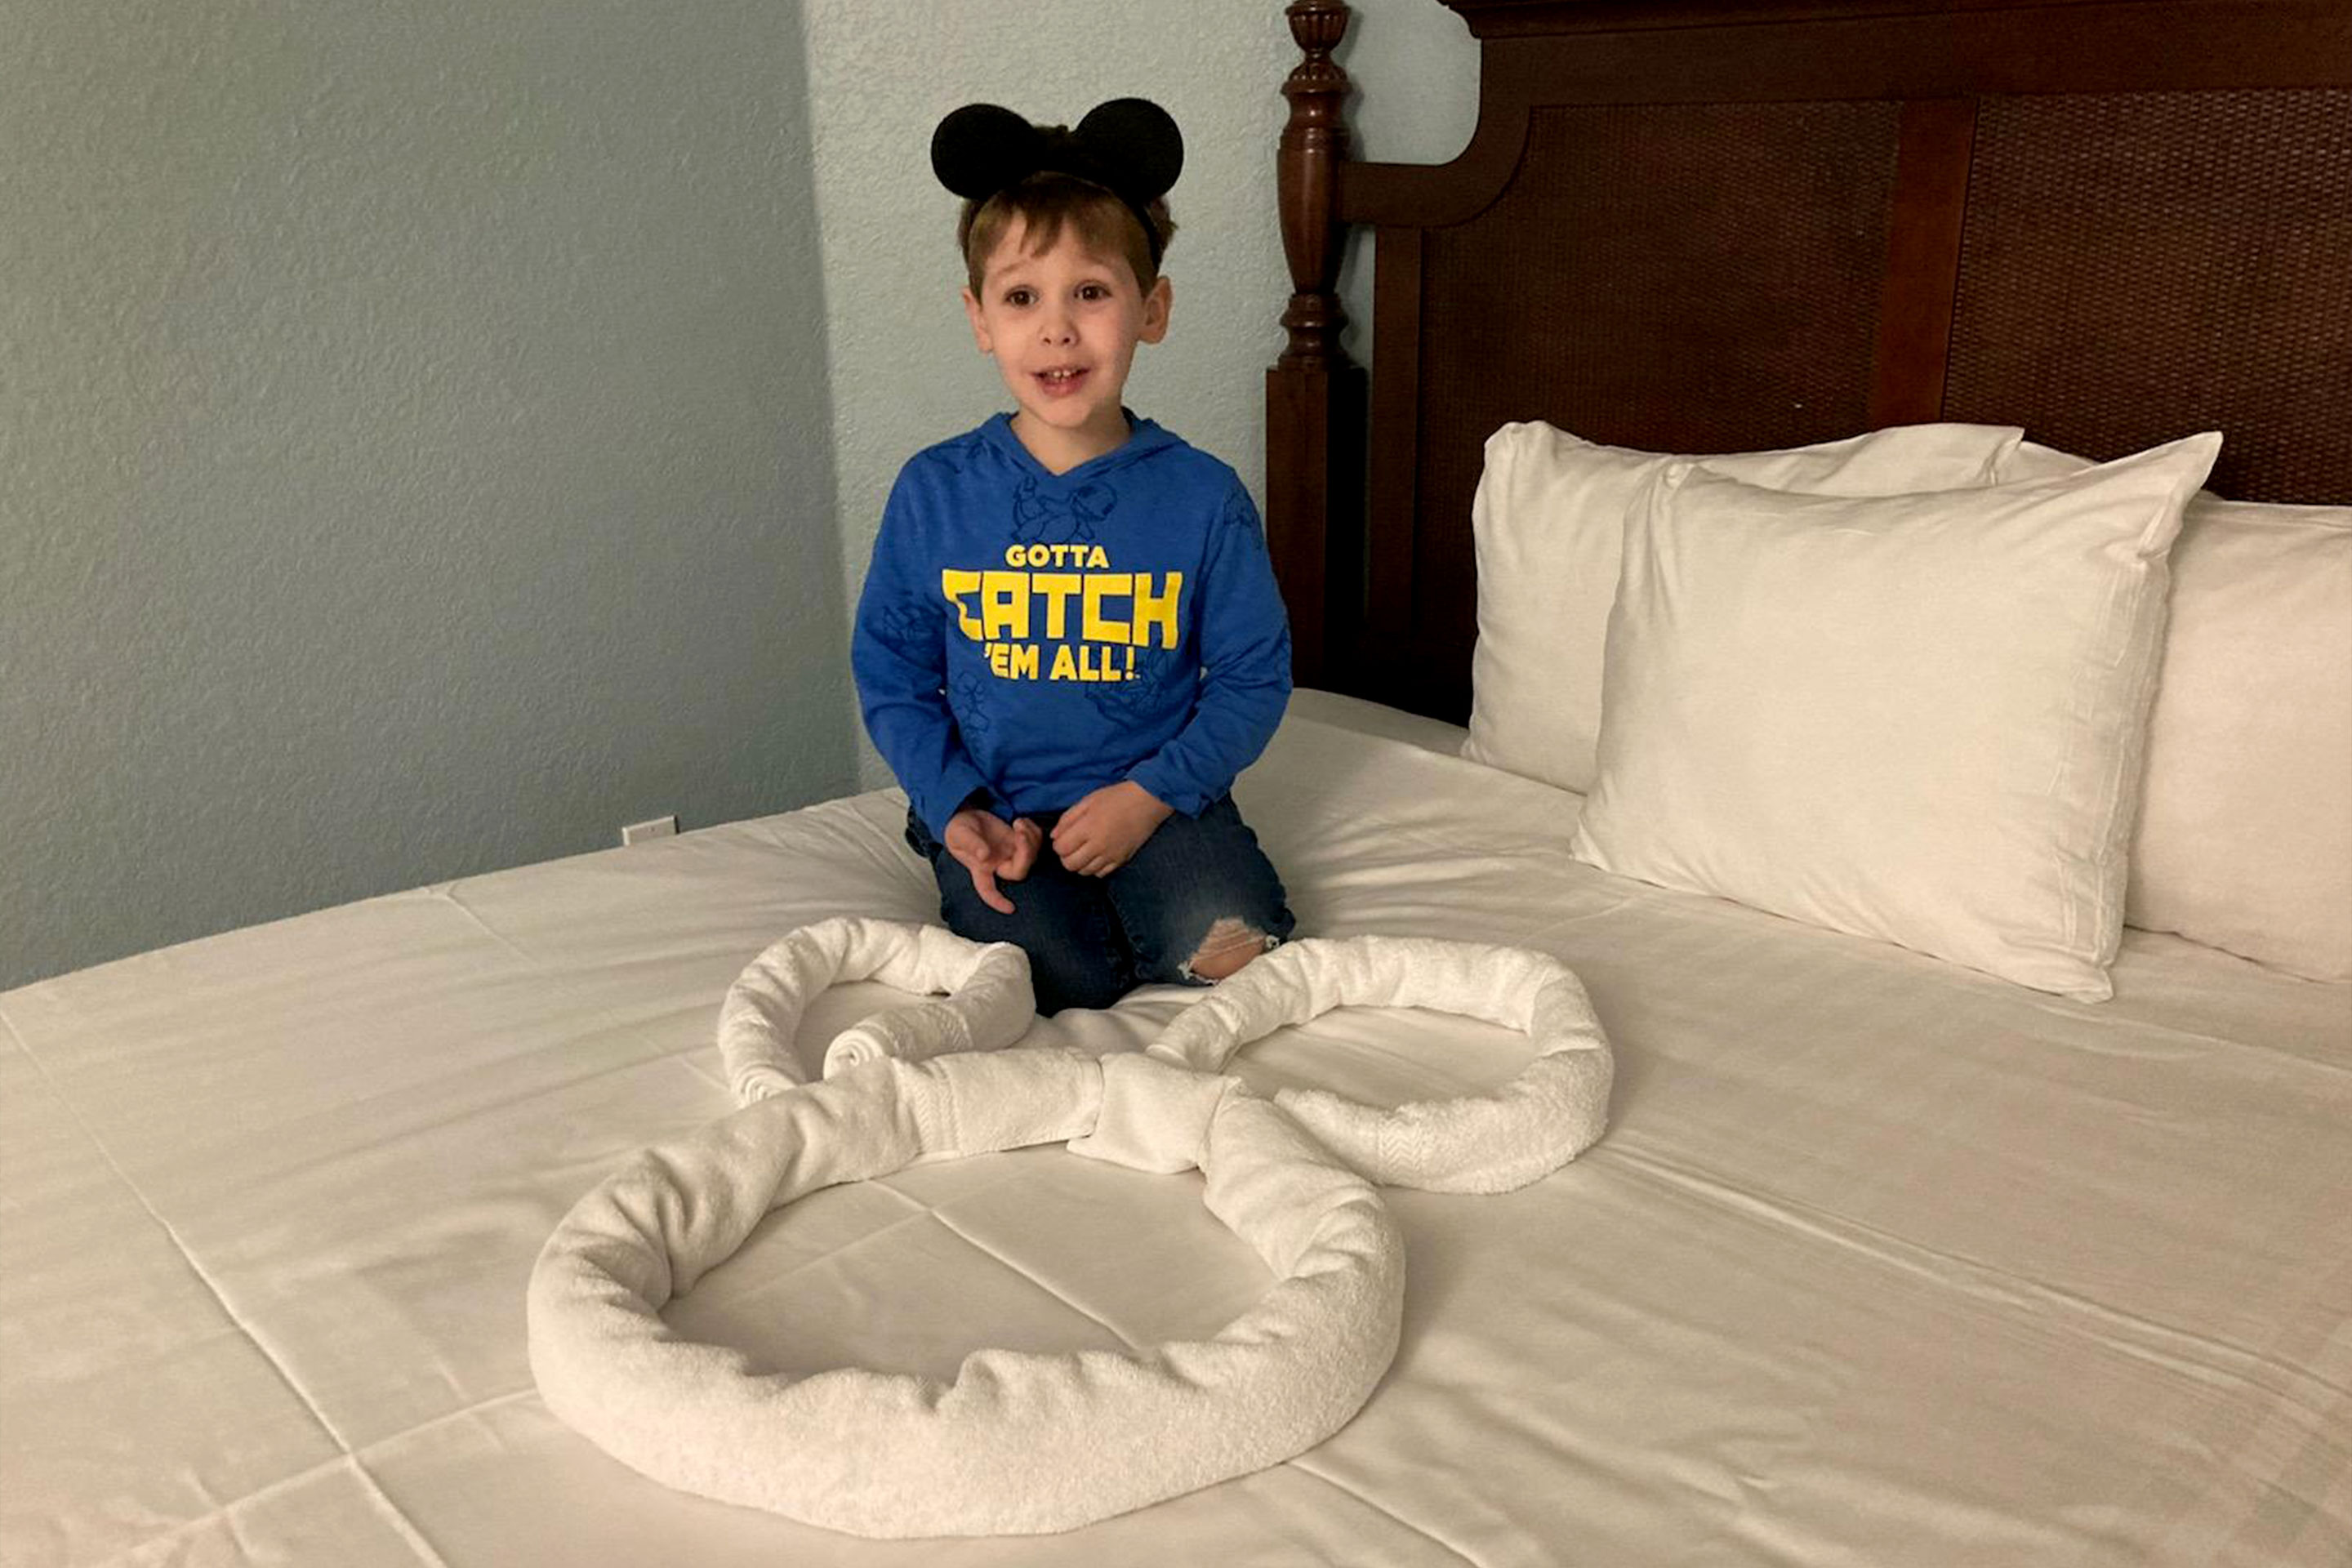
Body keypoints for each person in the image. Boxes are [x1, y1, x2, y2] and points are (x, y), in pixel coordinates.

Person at [851, 98, 1295, 1014]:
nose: (1057, 328)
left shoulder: (1201, 496)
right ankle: (984, 863)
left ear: (1152, 308)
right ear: (980, 318)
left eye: (1090, 293)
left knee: (1233, 949)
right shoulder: (934, 491)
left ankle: (1152, 878)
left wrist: (1150, 798)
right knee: (1058, 982)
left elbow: (1254, 676)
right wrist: (954, 807)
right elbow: (892, 673)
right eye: (1023, 298)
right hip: (994, 800)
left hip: (1156, 795)